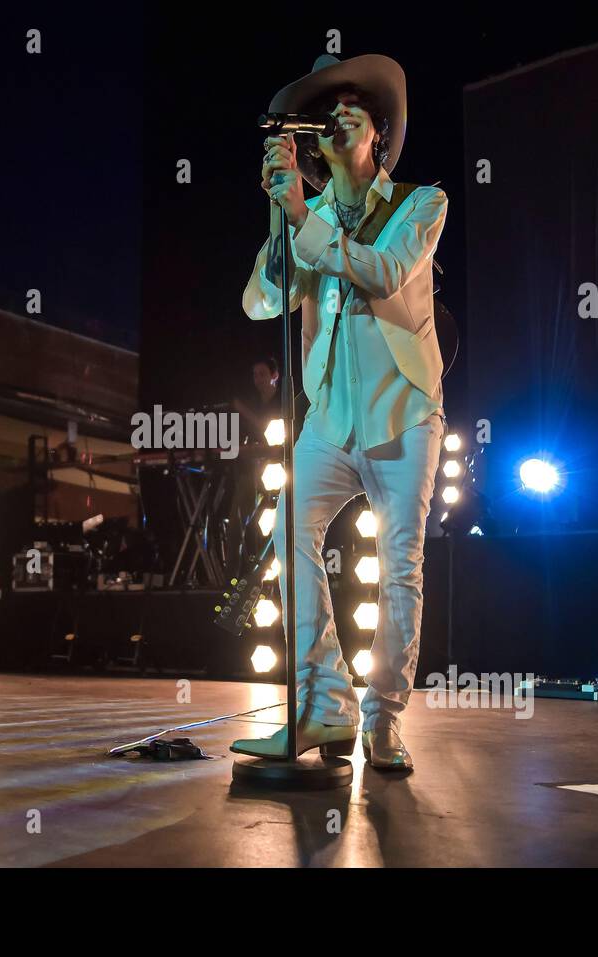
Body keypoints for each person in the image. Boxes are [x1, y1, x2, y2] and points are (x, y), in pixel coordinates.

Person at [232, 54, 448, 771]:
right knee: (289, 533)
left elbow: (385, 273)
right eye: (331, 104)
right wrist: (281, 207)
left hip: (403, 414)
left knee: (398, 568)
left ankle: (384, 719)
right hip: (328, 417)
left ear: (379, 132)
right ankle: (324, 704)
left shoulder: (421, 203)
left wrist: (304, 219)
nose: (342, 110)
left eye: (357, 102)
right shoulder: (309, 212)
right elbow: (261, 302)